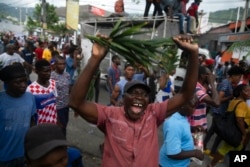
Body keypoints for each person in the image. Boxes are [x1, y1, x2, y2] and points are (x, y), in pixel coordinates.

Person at [69, 34, 199, 167]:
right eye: (134, 93)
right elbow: (75, 102)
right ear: (123, 98)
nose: (139, 97)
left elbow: (185, 95)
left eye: (144, 95)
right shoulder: (110, 115)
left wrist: (193, 53)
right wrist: (95, 58)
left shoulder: (153, 114)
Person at [0, 63, 37, 166]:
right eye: (18, 82)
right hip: (3, 158)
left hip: (24, 155)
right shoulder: (1, 100)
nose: (24, 85)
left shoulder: (30, 97)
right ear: (7, 83)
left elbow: (32, 121)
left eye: (25, 81)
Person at [203, 65, 244, 157]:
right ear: (233, 75)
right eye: (239, 76)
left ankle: (207, 148)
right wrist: (230, 97)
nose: (239, 79)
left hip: (220, 111)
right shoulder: (226, 83)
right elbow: (219, 99)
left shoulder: (228, 84)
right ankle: (209, 150)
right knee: (219, 132)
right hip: (219, 111)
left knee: (214, 131)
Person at [207, 84, 250, 167]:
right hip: (237, 131)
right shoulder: (242, 104)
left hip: (233, 129)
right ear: (241, 92)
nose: (249, 93)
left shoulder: (235, 101)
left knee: (235, 148)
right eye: (247, 91)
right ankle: (211, 164)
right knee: (225, 148)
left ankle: (211, 164)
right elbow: (239, 119)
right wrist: (244, 134)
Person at [159, 95, 204, 167]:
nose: (194, 110)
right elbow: (172, 153)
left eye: (195, 107)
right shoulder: (174, 124)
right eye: (192, 107)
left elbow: (182, 129)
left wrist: (192, 128)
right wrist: (195, 153)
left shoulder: (182, 116)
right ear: (182, 105)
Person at [188, 66, 220, 132]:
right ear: (202, 76)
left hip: (199, 125)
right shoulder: (197, 88)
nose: (211, 76)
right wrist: (212, 83)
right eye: (209, 74)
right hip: (195, 126)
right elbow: (216, 103)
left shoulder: (202, 87)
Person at [27, 59, 58, 124]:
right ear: (37, 71)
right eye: (45, 71)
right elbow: (29, 114)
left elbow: (55, 104)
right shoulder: (30, 90)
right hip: (40, 127)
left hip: (53, 124)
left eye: (50, 71)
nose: (49, 73)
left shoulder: (53, 83)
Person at [50, 56, 71, 136]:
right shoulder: (52, 76)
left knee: (64, 125)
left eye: (64, 64)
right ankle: (62, 145)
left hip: (66, 106)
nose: (62, 66)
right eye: (60, 64)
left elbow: (69, 89)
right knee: (61, 128)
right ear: (55, 65)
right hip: (57, 108)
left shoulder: (67, 75)